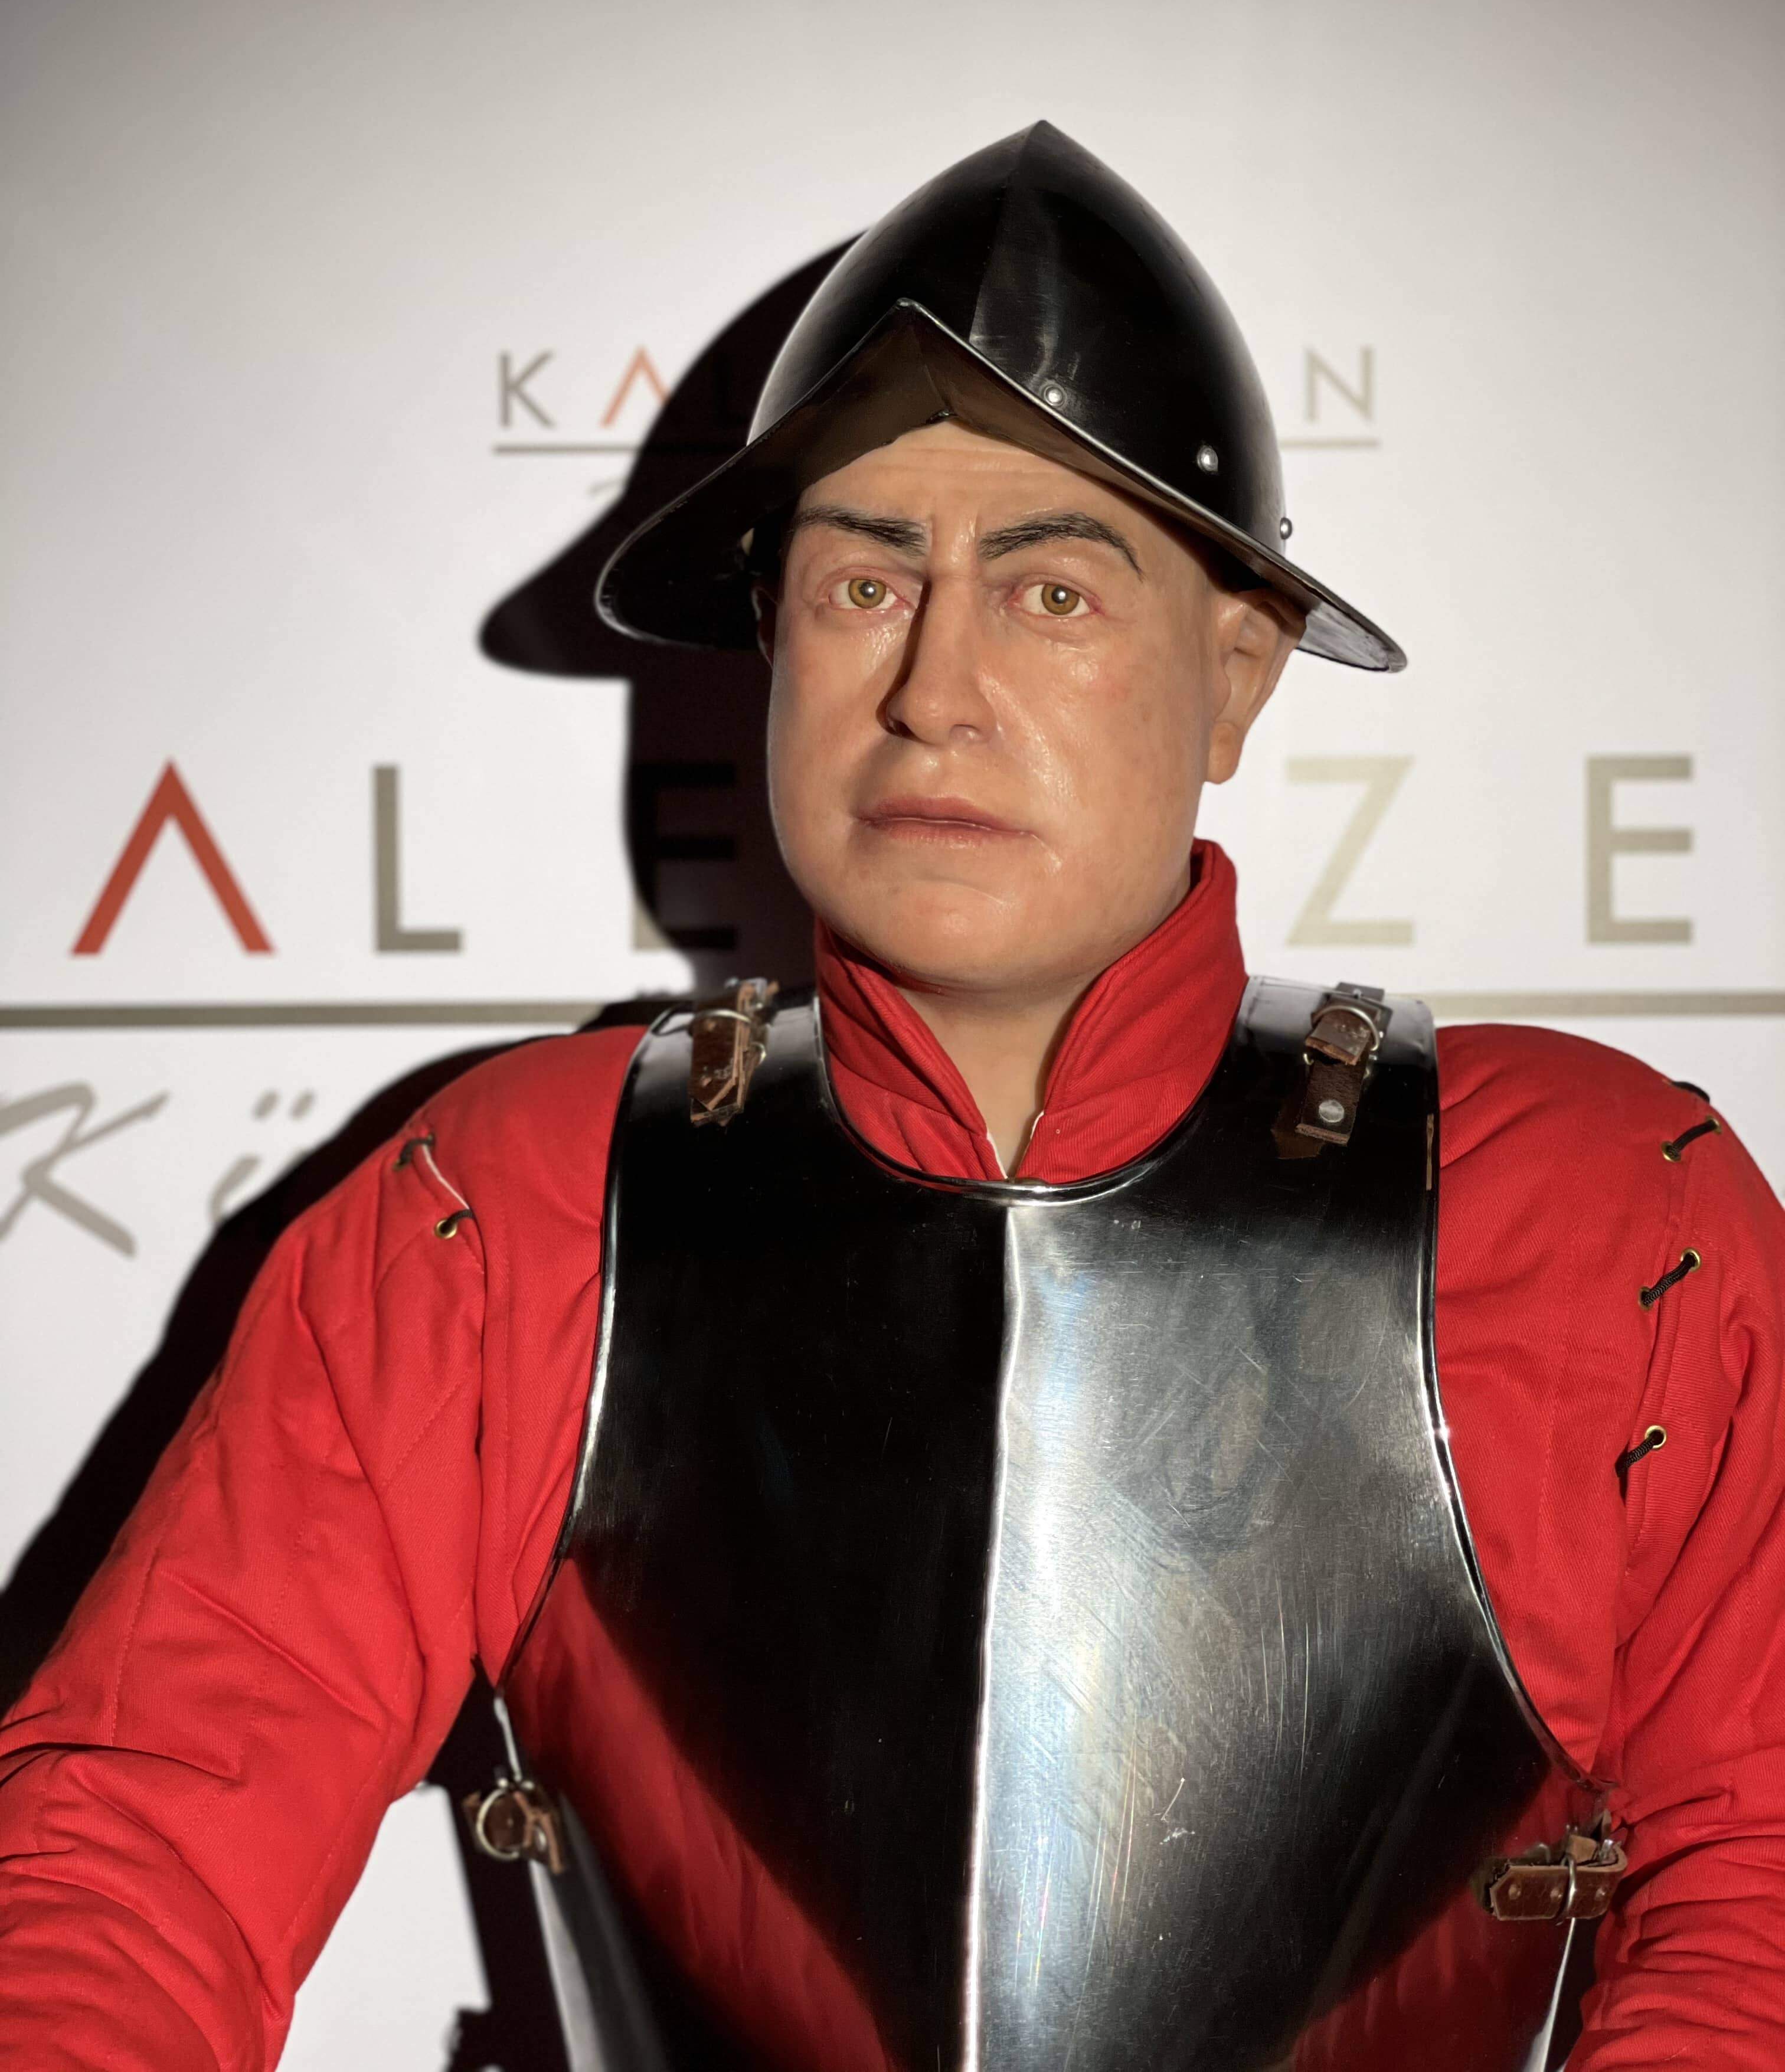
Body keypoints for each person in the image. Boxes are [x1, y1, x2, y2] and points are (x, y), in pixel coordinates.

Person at [2, 123, 1781, 2072]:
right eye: (864, 582)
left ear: (1236, 677)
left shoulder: (1606, 1213)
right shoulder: (503, 1212)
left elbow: (1762, 1892)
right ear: (772, 640)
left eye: (1052, 593)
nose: (935, 690)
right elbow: (134, 1853)